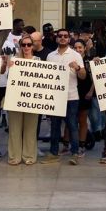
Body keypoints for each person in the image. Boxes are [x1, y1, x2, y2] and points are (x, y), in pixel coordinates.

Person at [41, 28, 85, 165]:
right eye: (60, 36)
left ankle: (75, 153)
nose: (63, 38)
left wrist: (77, 68)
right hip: (55, 97)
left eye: (66, 36)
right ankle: (54, 153)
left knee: (72, 124)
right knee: (54, 125)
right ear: (56, 38)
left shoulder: (75, 55)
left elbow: (83, 76)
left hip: (71, 96)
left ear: (69, 38)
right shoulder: (50, 56)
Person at [6, 34, 40, 166]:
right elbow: (10, 80)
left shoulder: (38, 60)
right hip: (15, 99)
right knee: (14, 129)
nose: (26, 47)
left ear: (33, 46)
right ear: (20, 46)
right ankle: (14, 156)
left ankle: (29, 156)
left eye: (29, 45)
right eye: (24, 45)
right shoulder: (14, 60)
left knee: (30, 129)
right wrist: (10, 67)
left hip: (32, 100)